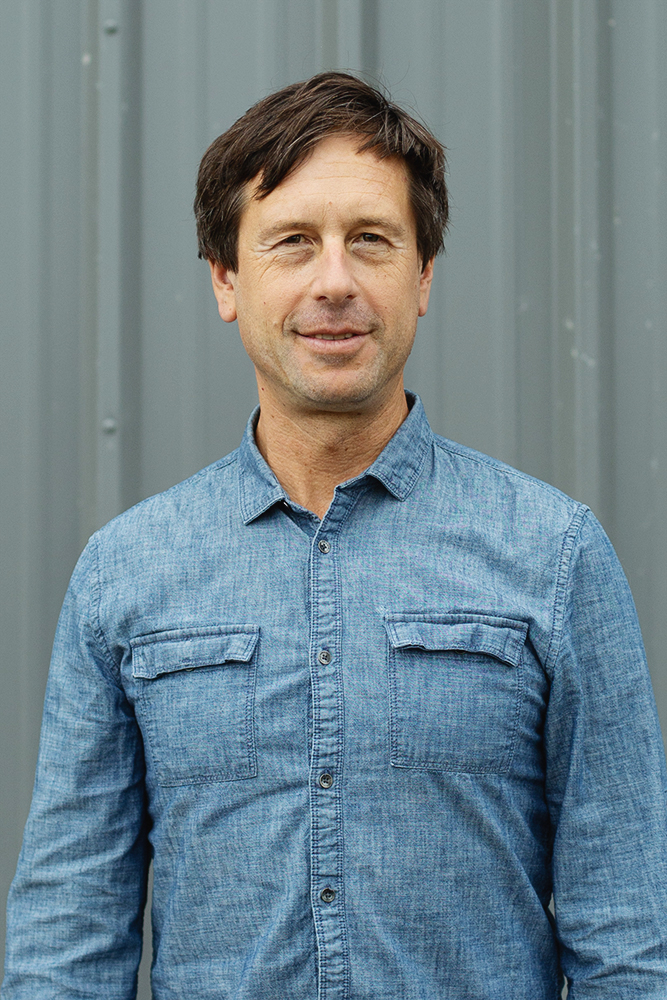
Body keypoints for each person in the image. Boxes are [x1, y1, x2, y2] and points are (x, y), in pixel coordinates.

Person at [2, 71, 667, 1000]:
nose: (334, 282)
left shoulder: (553, 555)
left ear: (422, 275)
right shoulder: (126, 572)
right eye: (292, 243)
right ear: (226, 279)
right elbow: (67, 938)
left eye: (370, 240)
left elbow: (629, 937)